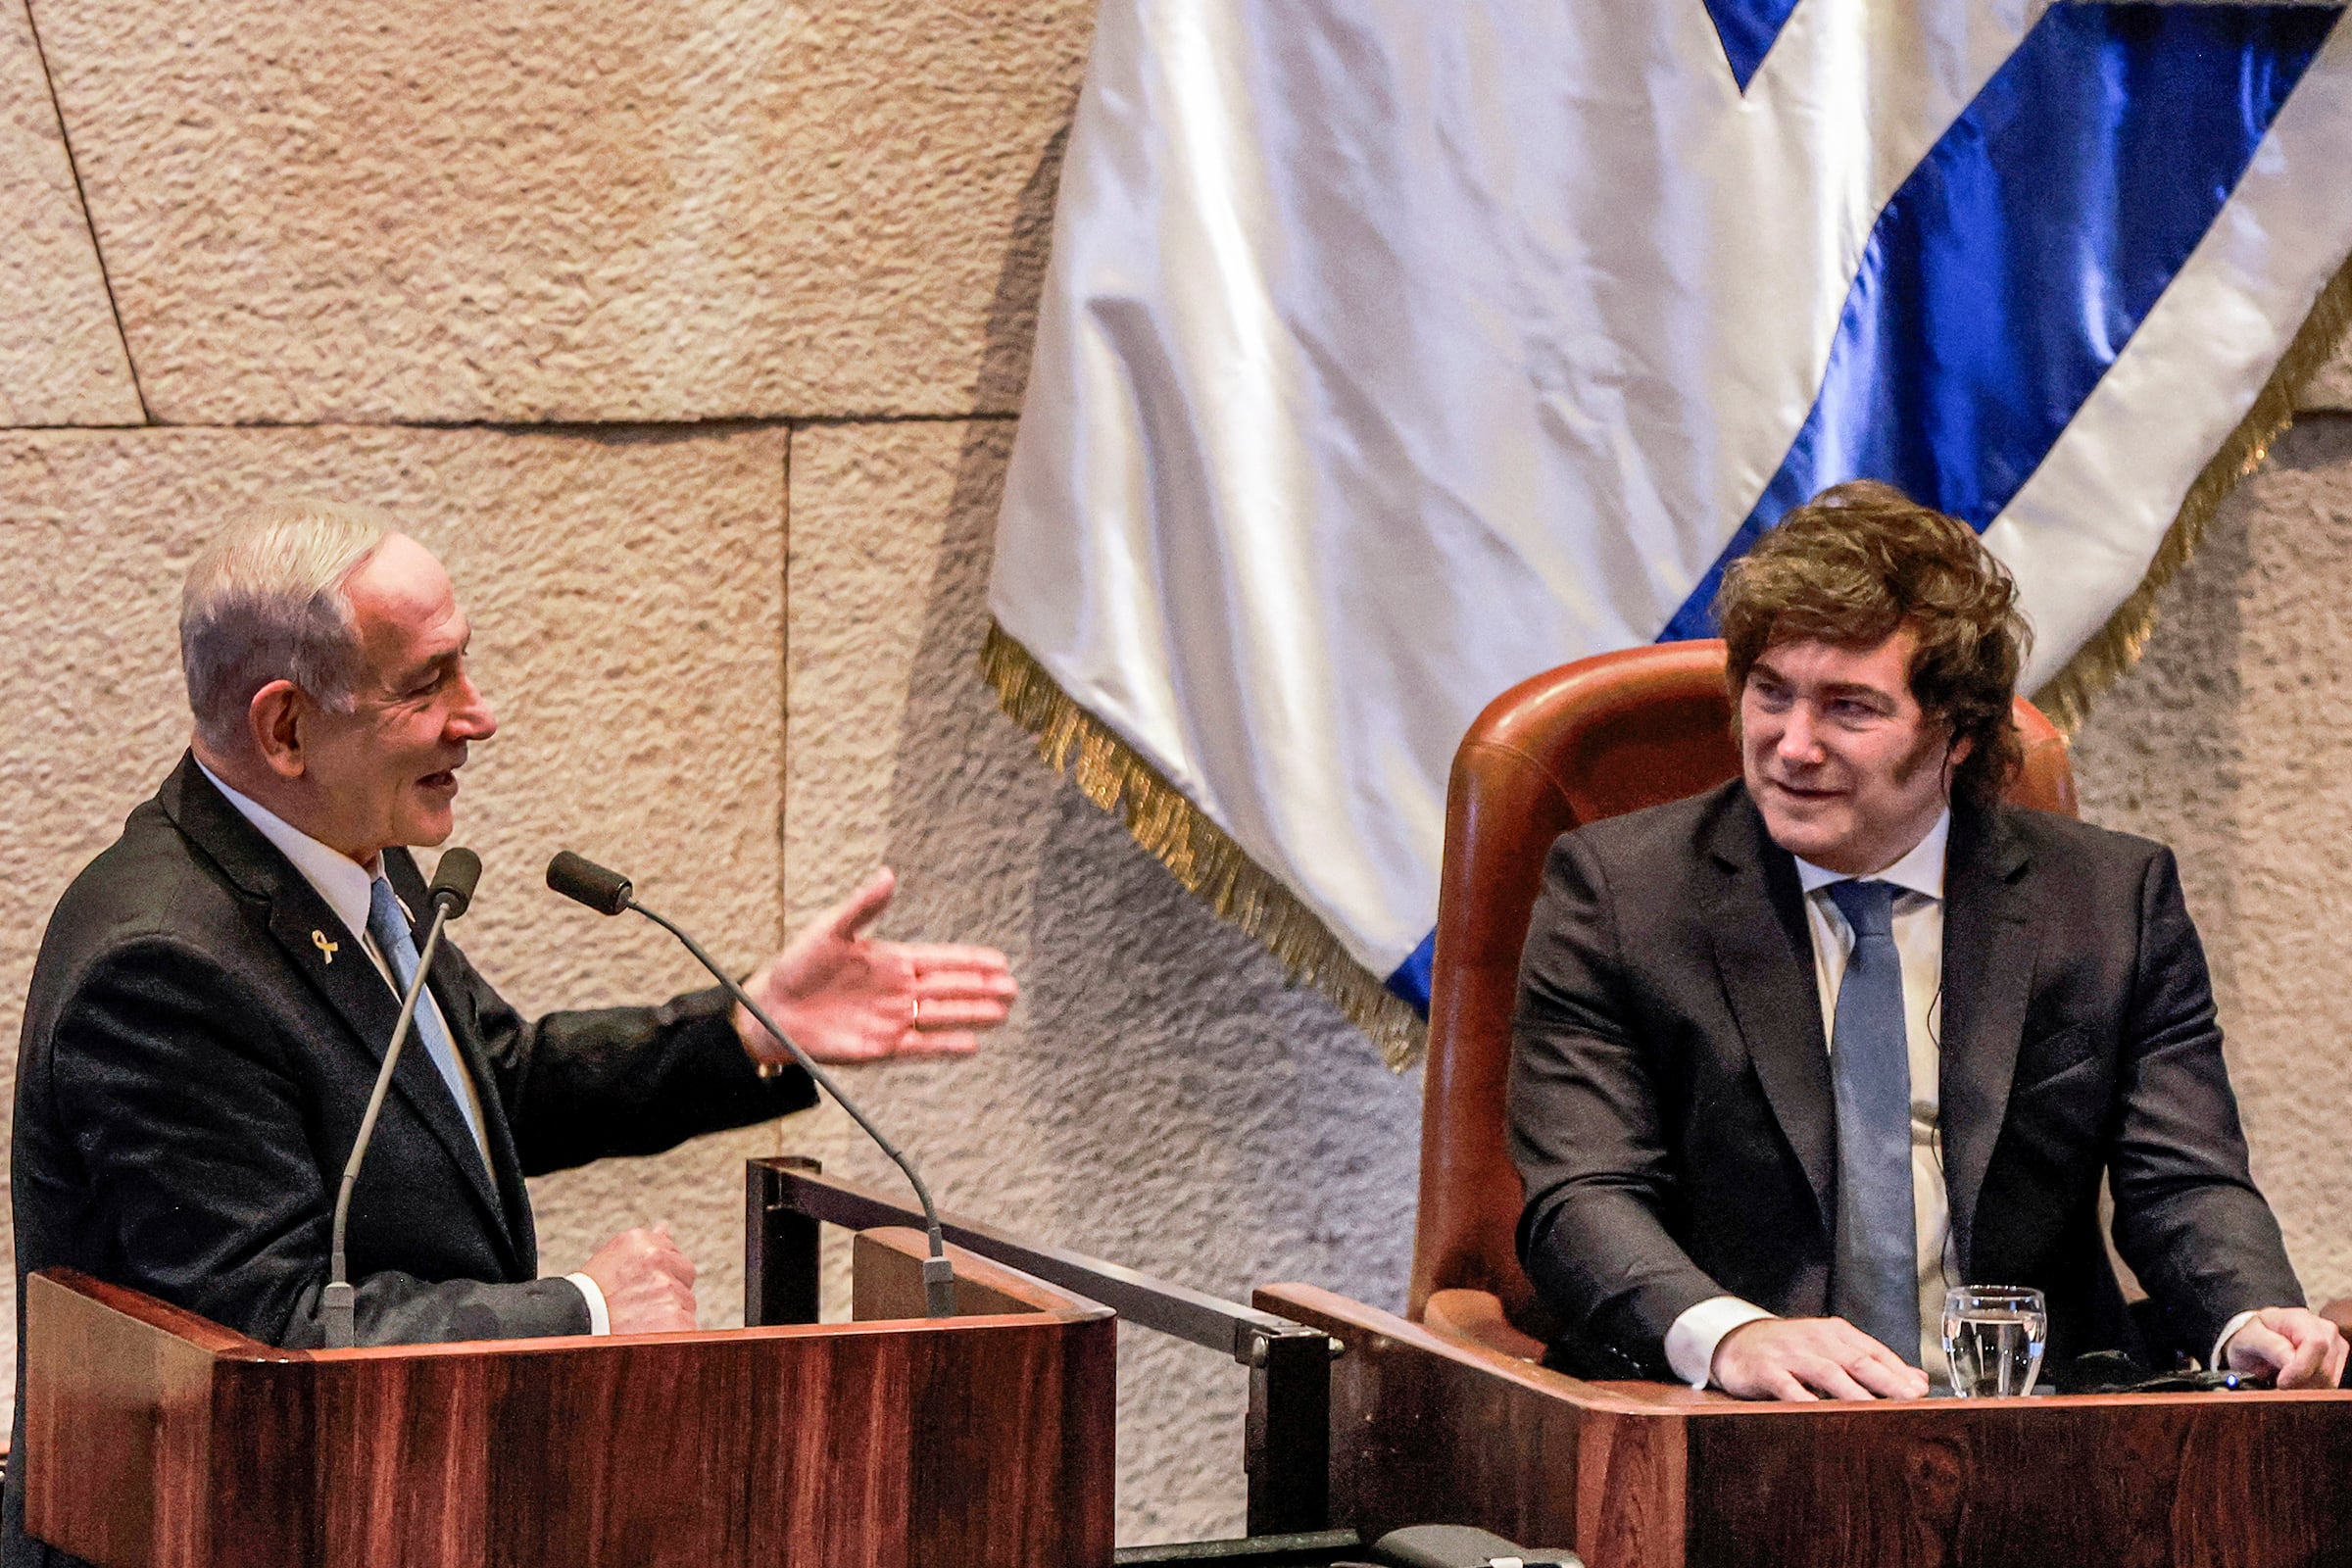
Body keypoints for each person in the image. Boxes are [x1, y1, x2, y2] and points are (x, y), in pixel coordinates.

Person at [6, 500, 1017, 1565]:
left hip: (398, 1504)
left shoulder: (345, 849)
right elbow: (276, 1331)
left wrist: (746, 1029)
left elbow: (490, 1086)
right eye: (426, 682)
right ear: (287, 728)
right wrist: (583, 1308)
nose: (477, 715)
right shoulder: (163, 966)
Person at [1507, 480, 2346, 1401]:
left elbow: (2182, 1181)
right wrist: (1733, 1336)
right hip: (1732, 1421)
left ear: (1957, 735)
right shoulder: (1622, 893)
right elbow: (1581, 1196)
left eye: (1849, 709)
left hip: (2035, 1433)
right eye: (1770, 693)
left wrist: (2249, 1315)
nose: (1791, 745)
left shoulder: (2109, 900)